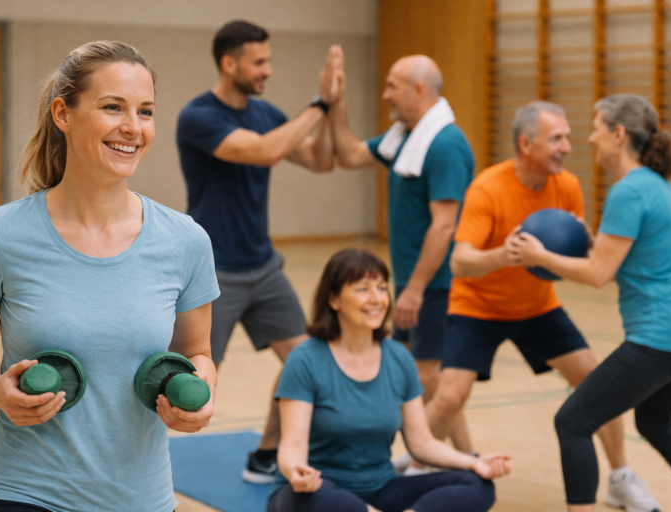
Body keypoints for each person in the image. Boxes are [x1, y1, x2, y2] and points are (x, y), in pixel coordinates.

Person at [0, 41, 219, 512]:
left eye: (145, 111)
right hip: (21, 493)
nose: (133, 127)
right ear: (62, 114)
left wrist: (201, 394)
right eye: (113, 107)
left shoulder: (185, 241)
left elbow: (197, 354)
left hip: (140, 498)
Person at [424, 100, 659, 511]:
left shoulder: (567, 186)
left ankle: (620, 477)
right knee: (449, 399)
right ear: (526, 144)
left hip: (538, 308)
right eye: (557, 139)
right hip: (478, 308)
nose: (568, 146)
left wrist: (590, 245)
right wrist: (505, 255)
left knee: (595, 383)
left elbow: (578, 258)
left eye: (567, 137)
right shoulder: (488, 187)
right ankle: (416, 465)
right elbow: (460, 262)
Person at [176, 20, 336, 483]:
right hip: (213, 273)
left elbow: (320, 160)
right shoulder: (198, 117)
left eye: (269, 60)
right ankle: (140, 466)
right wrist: (319, 103)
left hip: (264, 268)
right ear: (230, 64)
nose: (268, 70)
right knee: (193, 381)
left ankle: (267, 453)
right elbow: (264, 151)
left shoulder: (268, 114)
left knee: (308, 361)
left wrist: (333, 109)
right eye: (259, 62)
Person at [510, 94, 671, 512]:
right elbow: (629, 263)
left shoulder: (628, 191)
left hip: (657, 338)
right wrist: (596, 243)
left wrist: (539, 255)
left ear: (618, 135)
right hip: (669, 339)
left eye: (596, 128)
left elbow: (598, 274)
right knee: (654, 423)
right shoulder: (656, 186)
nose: (589, 138)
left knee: (573, 422)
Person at [268, 248, 509, 512]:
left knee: (477, 484)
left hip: (380, 490)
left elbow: (422, 443)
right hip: (319, 493)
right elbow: (292, 445)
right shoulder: (305, 359)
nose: (377, 299)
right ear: (334, 300)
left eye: (382, 288)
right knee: (311, 496)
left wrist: (473, 463)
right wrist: (296, 471)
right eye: (363, 289)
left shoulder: (398, 357)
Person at [326, 50, 474, 472]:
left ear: (418, 90)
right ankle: (466, 458)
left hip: (436, 284)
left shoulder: (445, 145)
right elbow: (350, 155)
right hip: (415, 282)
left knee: (426, 377)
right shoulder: (404, 136)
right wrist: (336, 103)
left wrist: (415, 289)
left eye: (393, 86)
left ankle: (429, 458)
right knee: (423, 376)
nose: (386, 94)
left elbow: (444, 226)